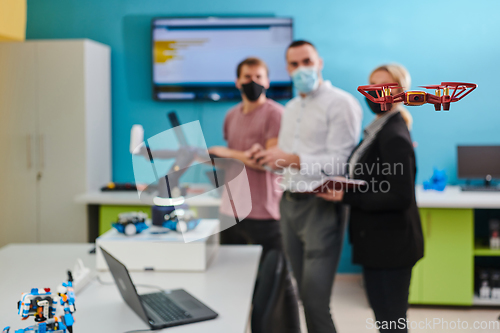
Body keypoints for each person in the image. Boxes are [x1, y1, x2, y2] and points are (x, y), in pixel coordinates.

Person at [250, 41, 363, 333]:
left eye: (307, 61)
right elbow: (286, 158)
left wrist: (293, 159)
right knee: (302, 295)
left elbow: (341, 163)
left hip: (321, 206)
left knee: (315, 301)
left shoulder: (342, 103)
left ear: (319, 62)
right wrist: (270, 159)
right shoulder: (291, 107)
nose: (302, 69)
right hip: (288, 203)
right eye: (294, 64)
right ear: (287, 68)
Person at [317, 64, 424, 333]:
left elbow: (399, 196)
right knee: (386, 320)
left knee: (391, 323)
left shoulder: (394, 135)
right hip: (379, 243)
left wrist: (346, 195)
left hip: (391, 246)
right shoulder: (380, 129)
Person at [209, 57, 301, 332]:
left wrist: (223, 152)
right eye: (248, 77)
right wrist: (227, 157)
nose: (254, 83)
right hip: (231, 210)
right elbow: (243, 159)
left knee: (274, 287)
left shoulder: (275, 114)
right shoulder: (231, 116)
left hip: (266, 212)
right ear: (237, 82)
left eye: (259, 77)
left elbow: (266, 160)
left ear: (268, 81)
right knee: (232, 282)